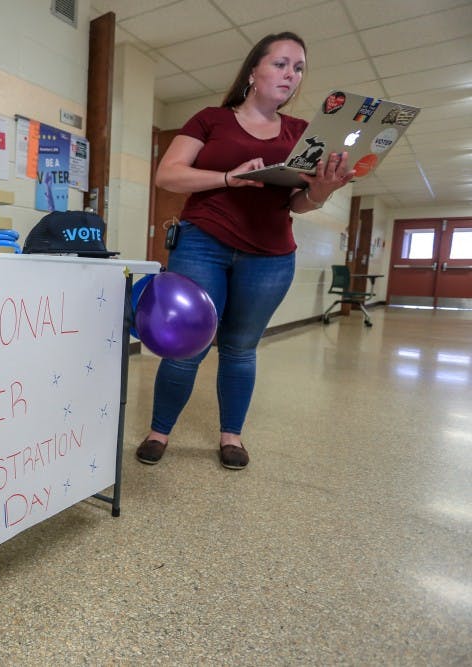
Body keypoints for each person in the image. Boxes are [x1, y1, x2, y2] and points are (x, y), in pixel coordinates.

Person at [137, 31, 354, 470]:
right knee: (187, 346)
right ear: (254, 70)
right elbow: (168, 175)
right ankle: (159, 431)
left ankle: (231, 436)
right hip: (203, 243)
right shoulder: (210, 119)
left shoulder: (301, 134)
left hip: (271, 254)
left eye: (299, 69)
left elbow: (298, 203)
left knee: (240, 347)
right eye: (281, 63)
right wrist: (227, 178)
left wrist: (323, 192)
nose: (290, 75)